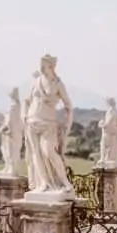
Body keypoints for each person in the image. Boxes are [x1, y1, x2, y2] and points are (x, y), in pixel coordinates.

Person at [22, 54, 74, 196]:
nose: (41, 68)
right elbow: (26, 101)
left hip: (48, 123)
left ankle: (65, 182)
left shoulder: (57, 84)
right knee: (36, 154)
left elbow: (68, 104)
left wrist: (65, 121)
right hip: (32, 122)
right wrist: (24, 116)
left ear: (50, 66)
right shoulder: (37, 81)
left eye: (44, 65)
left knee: (48, 151)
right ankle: (43, 183)